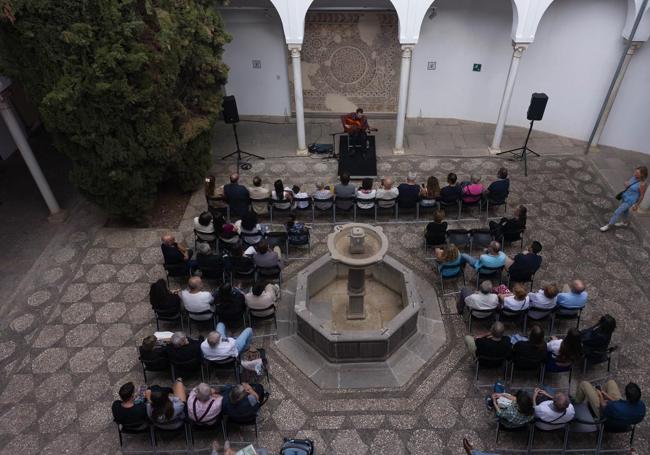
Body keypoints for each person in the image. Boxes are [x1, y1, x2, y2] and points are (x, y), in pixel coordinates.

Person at [575, 380, 646, 429]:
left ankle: (576, 402)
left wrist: (600, 395)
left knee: (584, 384)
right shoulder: (642, 407)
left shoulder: (614, 407)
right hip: (623, 422)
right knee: (611, 382)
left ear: (627, 396)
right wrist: (606, 395)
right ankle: (597, 395)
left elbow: (603, 405)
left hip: (605, 418)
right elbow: (620, 403)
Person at [601, 166, 648, 231]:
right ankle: (624, 223)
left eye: (637, 172)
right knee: (625, 211)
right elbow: (628, 184)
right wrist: (626, 184)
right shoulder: (634, 177)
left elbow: (642, 196)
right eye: (635, 171)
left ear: (642, 174)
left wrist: (636, 205)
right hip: (625, 196)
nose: (635, 173)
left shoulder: (642, 184)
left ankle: (609, 225)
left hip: (630, 201)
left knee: (617, 212)